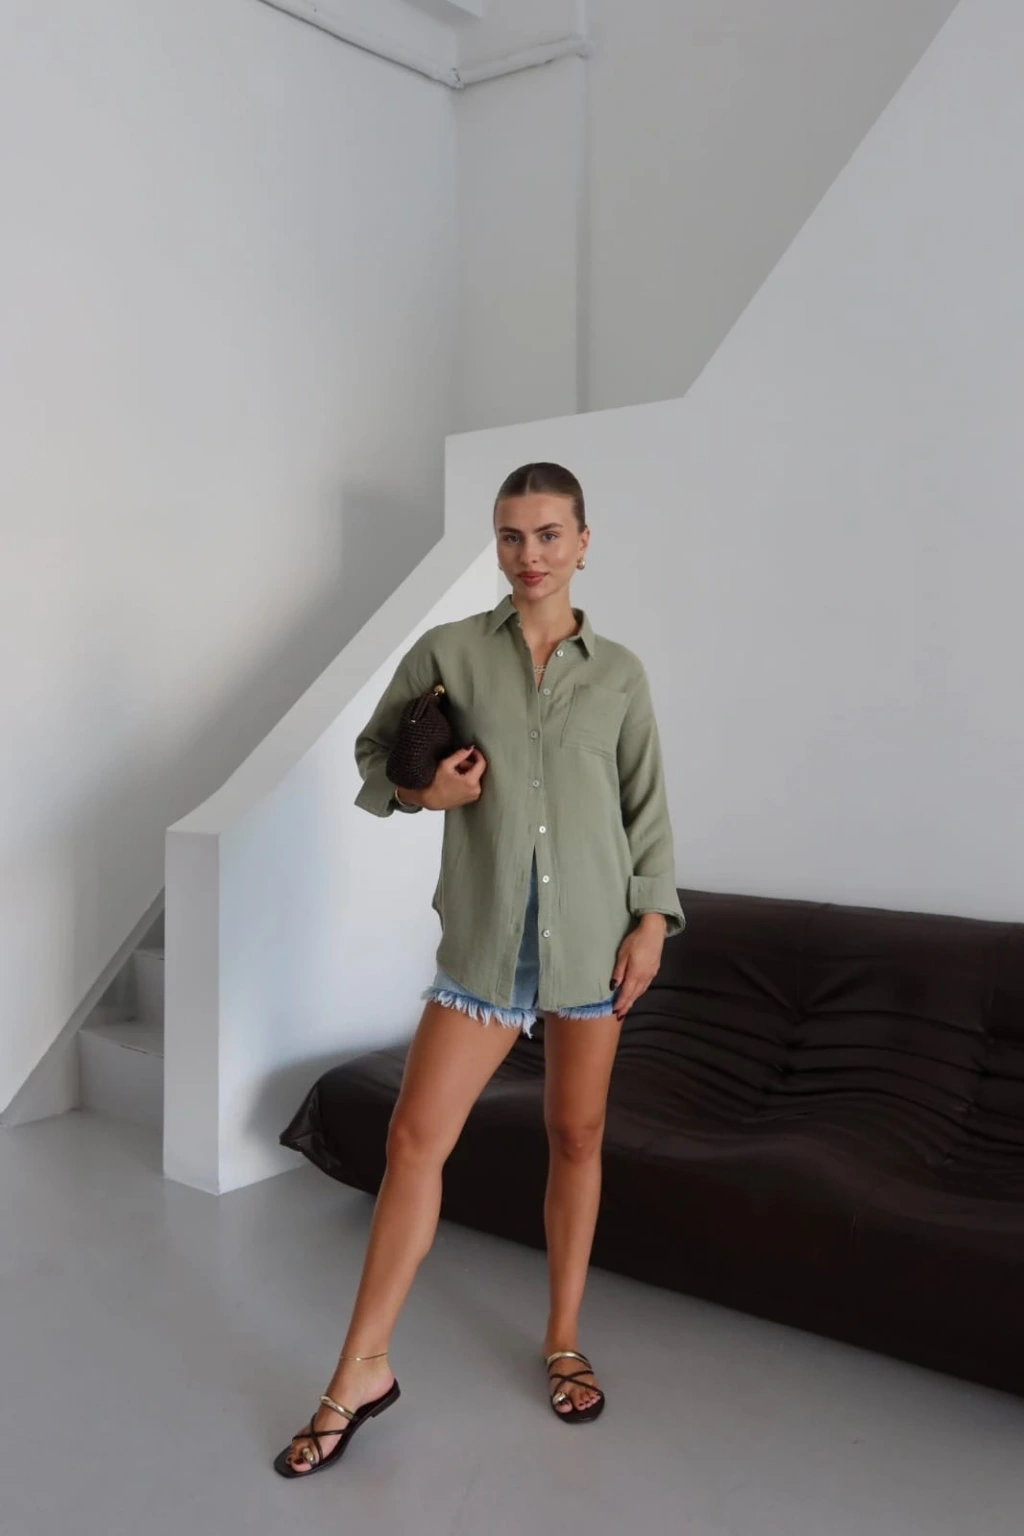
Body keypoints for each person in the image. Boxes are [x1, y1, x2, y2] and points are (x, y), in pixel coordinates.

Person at [275, 462, 684, 1478]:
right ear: (495, 544)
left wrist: (652, 922)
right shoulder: (449, 652)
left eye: (548, 534)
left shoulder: (620, 674)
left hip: (593, 947)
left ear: (583, 541)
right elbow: (376, 755)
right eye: (510, 535)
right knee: (414, 1142)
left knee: (575, 1136)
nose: (529, 554)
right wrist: (427, 796)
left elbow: (645, 809)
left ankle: (563, 1340)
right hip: (485, 947)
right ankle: (359, 1372)